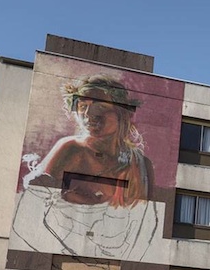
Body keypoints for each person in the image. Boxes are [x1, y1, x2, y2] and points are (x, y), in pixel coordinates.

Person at [29, 74, 154, 207]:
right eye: (83, 107)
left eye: (100, 107)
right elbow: (37, 198)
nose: (89, 114)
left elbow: (145, 212)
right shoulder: (70, 148)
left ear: (122, 113)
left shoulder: (141, 165)